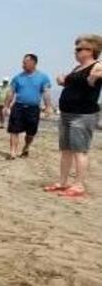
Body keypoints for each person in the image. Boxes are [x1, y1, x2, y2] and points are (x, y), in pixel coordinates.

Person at [44, 34, 102, 198]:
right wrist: (62, 80)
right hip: (67, 113)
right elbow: (74, 84)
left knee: (79, 151)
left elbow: (94, 79)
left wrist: (95, 76)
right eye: (75, 49)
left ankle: (79, 185)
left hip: (82, 115)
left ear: (91, 50)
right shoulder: (77, 68)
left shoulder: (97, 66)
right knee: (66, 150)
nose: (75, 52)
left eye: (79, 49)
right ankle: (62, 182)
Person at [4, 53, 53, 159]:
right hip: (18, 107)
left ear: (33, 63)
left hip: (33, 108)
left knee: (31, 133)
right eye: (23, 62)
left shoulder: (43, 77)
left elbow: (46, 92)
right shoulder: (17, 78)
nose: (23, 65)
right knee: (14, 130)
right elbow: (11, 92)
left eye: (25, 62)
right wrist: (6, 106)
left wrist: (48, 106)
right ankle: (13, 152)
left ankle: (26, 146)